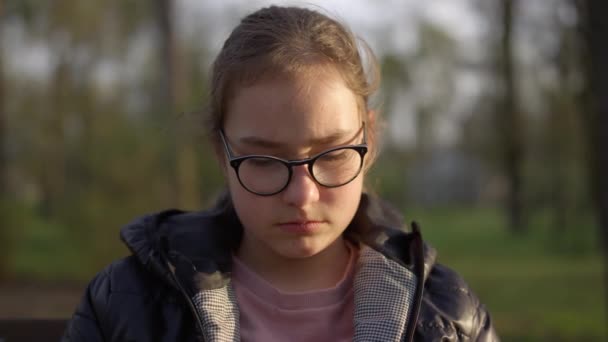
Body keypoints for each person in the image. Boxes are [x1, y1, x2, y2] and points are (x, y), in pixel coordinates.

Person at [63, 5, 499, 342]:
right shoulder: (126, 303)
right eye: (265, 161)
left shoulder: (446, 314)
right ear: (221, 151)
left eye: (331, 154)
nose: (302, 195)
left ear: (369, 144)